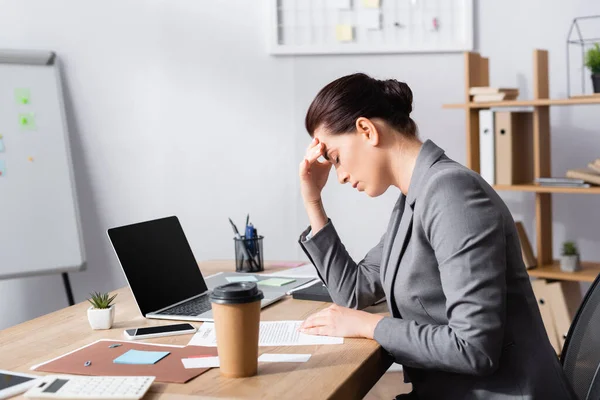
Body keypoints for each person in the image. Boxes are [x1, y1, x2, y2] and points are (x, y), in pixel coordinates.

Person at [297, 73, 574, 399]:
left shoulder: (450, 192)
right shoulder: (413, 199)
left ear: (366, 130)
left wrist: (369, 325)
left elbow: (474, 349)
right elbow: (352, 292)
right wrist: (313, 199)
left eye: (336, 158)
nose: (339, 176)